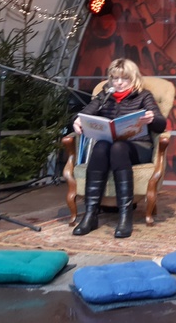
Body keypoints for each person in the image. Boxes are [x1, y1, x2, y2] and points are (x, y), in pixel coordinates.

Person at [71, 58, 167, 238]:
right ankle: (91, 215)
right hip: (110, 146)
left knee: (118, 147)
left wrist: (152, 118)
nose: (119, 83)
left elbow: (161, 125)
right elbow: (84, 114)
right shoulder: (104, 96)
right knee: (101, 146)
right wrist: (77, 120)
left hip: (138, 147)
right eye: (115, 79)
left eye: (124, 79)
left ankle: (125, 216)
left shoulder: (144, 95)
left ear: (133, 78)